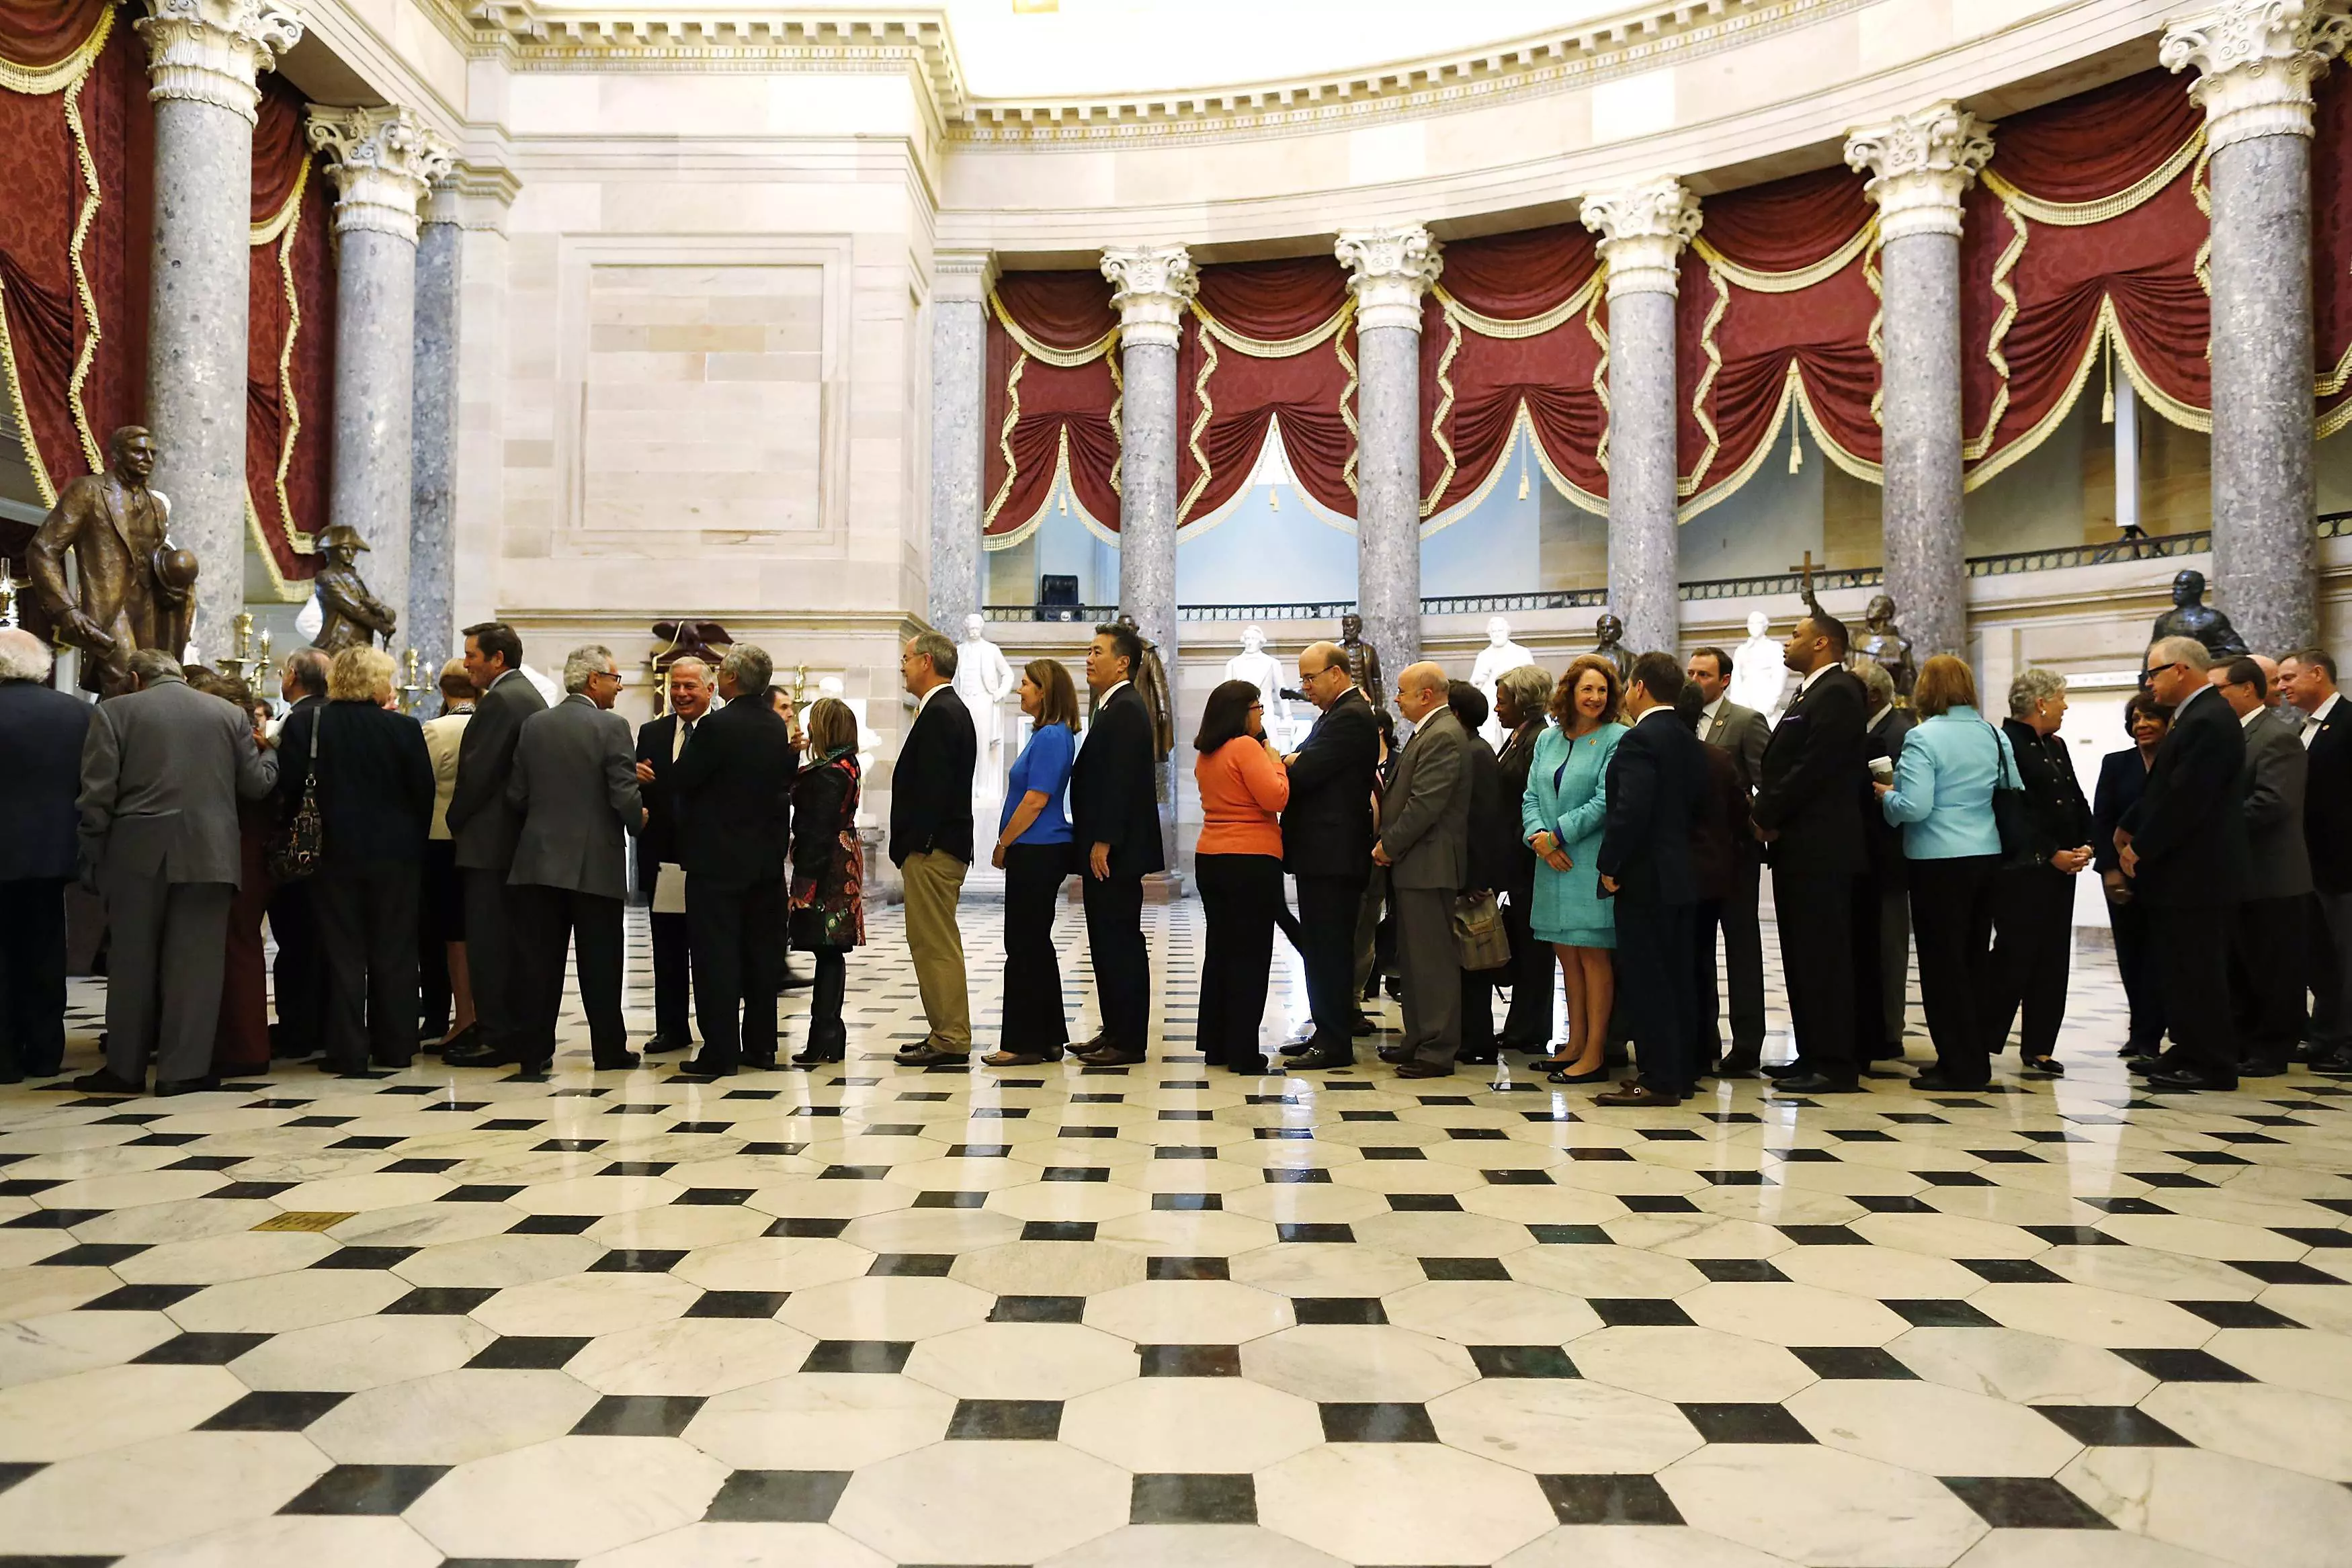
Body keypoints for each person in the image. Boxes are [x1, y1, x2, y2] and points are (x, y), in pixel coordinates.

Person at [73, 648, 277, 1094]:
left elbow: (97, 795)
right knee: (196, 967)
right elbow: (255, 785)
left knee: (131, 965)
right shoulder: (227, 714)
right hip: (209, 854)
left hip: (136, 855)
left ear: (134, 678)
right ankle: (182, 1072)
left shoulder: (114, 713)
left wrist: (94, 852)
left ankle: (124, 1070)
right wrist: (274, 755)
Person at [285, 647, 435, 1076]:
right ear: (374, 683)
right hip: (396, 856)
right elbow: (423, 794)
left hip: (333, 852)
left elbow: (293, 789)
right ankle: (395, 1045)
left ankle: (347, 1049)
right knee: (395, 950)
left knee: (342, 951)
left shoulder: (307, 725)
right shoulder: (404, 729)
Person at [1872, 656, 2012, 1092]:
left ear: (1927, 690)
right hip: (1986, 854)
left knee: (1942, 966)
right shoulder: (1992, 733)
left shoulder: (1923, 737)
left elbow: (1916, 807)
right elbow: (2011, 789)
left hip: (1937, 862)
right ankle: (1975, 1060)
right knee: (1973, 961)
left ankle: (1956, 1064)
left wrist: (1886, 798)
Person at [2120, 637, 2249, 1092]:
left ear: (2180, 670)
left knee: (2198, 968)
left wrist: (2143, 847)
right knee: (2180, 966)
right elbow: (2167, 788)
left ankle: (2212, 1063)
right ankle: (2190, 1048)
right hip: (2186, 872)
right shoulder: (2195, 716)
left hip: (2197, 871)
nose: (2148, 683)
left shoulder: (2209, 720)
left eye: (2153, 673)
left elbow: (2188, 798)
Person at [506, 646, 643, 1074]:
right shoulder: (612, 726)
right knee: (601, 962)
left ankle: (533, 1052)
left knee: (539, 963)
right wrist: (638, 818)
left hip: (537, 861)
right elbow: (623, 793)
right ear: (593, 680)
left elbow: (517, 794)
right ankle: (608, 1050)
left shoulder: (535, 724)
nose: (619, 688)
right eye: (615, 679)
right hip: (594, 864)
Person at [1753, 612, 1870, 1095]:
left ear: (1823, 643)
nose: (1788, 642)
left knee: (1825, 956)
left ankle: (1836, 1062)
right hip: (1802, 847)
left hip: (1823, 847)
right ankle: (1812, 1053)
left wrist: (1766, 812)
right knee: (1803, 956)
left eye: (1796, 635)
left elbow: (1813, 766)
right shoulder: (1811, 691)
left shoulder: (1839, 691)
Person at [671, 644, 799, 1078]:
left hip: (718, 862)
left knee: (716, 958)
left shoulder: (717, 726)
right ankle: (761, 1046)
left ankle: (721, 1051)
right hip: (764, 863)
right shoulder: (772, 725)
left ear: (729, 678)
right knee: (761, 958)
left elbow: (685, 778)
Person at [1589, 654, 1706, 1106]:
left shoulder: (1640, 740)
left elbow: (1630, 811)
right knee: (1678, 977)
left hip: (1645, 878)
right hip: (1681, 874)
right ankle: (1680, 1072)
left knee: (1647, 978)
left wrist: (1611, 865)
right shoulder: (1686, 736)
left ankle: (1658, 1080)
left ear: (1638, 688)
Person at [442, 623, 550, 1071]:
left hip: (490, 843)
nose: (467, 663)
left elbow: (478, 774)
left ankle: (496, 1034)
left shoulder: (502, 702)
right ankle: (513, 1031)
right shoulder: (526, 695)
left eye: (472, 656)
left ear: (497, 659)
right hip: (513, 841)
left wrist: (454, 820)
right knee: (511, 943)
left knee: (488, 944)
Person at [1982, 667, 2094, 1078]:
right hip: (2022, 869)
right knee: (2016, 954)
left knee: (2053, 958)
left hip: (2062, 869)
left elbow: (2073, 798)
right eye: (2061, 698)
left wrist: (2087, 841)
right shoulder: (2003, 744)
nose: (2065, 706)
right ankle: (1984, 1037)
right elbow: (2013, 811)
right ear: (2042, 702)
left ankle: (2040, 1046)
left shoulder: (2057, 745)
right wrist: (2050, 854)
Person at [1521, 655, 1624, 1084]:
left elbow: (1605, 800)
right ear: (1570, 693)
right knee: (1567, 959)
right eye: (1588, 689)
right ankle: (1574, 1043)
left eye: (1602, 690)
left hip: (1588, 862)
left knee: (1594, 957)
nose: (1595, 697)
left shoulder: (1617, 737)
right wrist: (1538, 838)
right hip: (1551, 864)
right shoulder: (1548, 739)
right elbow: (1530, 794)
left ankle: (1596, 1052)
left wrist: (1557, 835)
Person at [1279, 641, 1381, 1072]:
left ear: (1336, 674)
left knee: (1330, 949)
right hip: (1322, 852)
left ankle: (1335, 1041)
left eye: (1310, 678)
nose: (1305, 687)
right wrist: (1293, 757)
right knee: (1321, 948)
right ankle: (1325, 1030)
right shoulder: (1335, 714)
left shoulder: (1352, 716)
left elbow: (1301, 770)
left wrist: (1288, 759)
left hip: (1333, 853)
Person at [2209, 657, 2311, 1076]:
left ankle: (2272, 1049)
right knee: (2243, 964)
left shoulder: (2276, 737)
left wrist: (2213, 827)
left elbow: (2272, 802)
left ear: (2246, 689)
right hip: (2241, 875)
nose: (2213, 699)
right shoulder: (2231, 736)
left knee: (2274, 968)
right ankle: (2244, 1040)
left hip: (2274, 877)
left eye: (2219, 690)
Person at [0, 628, 93, 1082]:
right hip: (54, 852)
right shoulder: (76, 714)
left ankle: (4, 1058)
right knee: (45, 952)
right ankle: (43, 1052)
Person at [1070, 622, 1164, 1067]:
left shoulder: (1126, 707)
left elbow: (1121, 783)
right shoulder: (1112, 706)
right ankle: (1114, 1028)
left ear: (1122, 662)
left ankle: (1127, 1041)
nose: (1088, 659)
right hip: (1106, 847)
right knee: (1106, 941)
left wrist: (1103, 840)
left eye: (1097, 652)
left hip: (1115, 852)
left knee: (1119, 941)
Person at [1376, 662, 1474, 1078]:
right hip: (1415, 865)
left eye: (1402, 691)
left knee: (1431, 960)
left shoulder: (1443, 736)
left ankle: (1437, 1049)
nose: (1396, 699)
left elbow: (1425, 804)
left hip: (1429, 863)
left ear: (1426, 695)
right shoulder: (1430, 731)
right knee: (1414, 960)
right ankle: (1417, 1038)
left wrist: (1388, 845)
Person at [1193, 679, 1290, 1074]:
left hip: (1211, 856)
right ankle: (1243, 1051)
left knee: (1221, 951)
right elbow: (1276, 797)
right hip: (1250, 858)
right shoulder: (1247, 748)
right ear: (1242, 712)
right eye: (1258, 707)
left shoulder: (1207, 752)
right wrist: (1278, 760)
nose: (1262, 714)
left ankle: (1217, 1044)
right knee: (1250, 956)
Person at [985, 659, 1080, 1068]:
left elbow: (1037, 798)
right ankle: (1047, 1037)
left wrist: (1004, 841)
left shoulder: (1051, 737)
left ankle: (1022, 1041)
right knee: (1035, 944)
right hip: (1038, 848)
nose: (1018, 690)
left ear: (1044, 691)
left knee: (1023, 945)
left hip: (1038, 848)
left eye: (1025, 684)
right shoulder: (1046, 734)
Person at [890, 630, 978, 1068]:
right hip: (936, 847)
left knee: (935, 943)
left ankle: (951, 1036)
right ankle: (945, 1029)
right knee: (932, 942)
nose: (902, 666)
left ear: (926, 662)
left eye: (906, 658)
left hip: (934, 850)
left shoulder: (942, 712)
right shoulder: (944, 709)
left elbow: (935, 789)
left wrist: (918, 844)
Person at [1685, 646, 1769, 1074]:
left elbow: (1766, 783)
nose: (1696, 680)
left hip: (1735, 857)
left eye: (1704, 674)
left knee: (1740, 949)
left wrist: (1755, 829)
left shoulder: (1744, 721)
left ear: (1724, 681)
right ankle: (1704, 1039)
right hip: (1695, 859)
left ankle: (1748, 1044)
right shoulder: (1682, 724)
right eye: (1692, 672)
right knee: (1698, 950)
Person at [185, 669, 271, 1076]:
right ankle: (228, 1042)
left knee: (235, 945)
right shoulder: (237, 737)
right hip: (238, 846)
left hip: (239, 848)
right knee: (232, 945)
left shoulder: (244, 742)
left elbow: (255, 787)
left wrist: (270, 754)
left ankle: (243, 1046)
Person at [634, 657, 713, 1055]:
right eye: (675, 686)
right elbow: (643, 791)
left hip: (709, 860)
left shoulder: (720, 732)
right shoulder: (652, 732)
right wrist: (634, 776)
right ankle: (671, 1027)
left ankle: (716, 1029)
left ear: (709, 690)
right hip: (663, 858)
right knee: (666, 947)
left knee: (709, 946)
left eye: (690, 687)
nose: (681, 694)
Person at [2279, 649, 2352, 1074]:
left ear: (2318, 673)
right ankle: (2324, 1036)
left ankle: (2346, 1041)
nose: (2283, 686)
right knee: (2322, 960)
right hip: (2308, 865)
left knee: (2346, 958)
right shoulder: (2304, 728)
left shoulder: (2347, 723)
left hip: (2341, 864)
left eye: (2289, 677)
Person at [1675, 684, 1752, 1084]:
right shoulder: (1718, 759)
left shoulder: (1662, 758)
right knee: (1703, 963)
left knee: (1681, 965)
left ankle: (1687, 1049)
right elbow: (1741, 814)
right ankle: (1706, 1047)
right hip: (1713, 874)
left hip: (1673, 877)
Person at [2093, 696, 2171, 1062]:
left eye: (2151, 717)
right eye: (2136, 718)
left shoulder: (2179, 763)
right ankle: (2140, 1032)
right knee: (2131, 956)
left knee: (2162, 956)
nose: (2142, 723)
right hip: (2123, 877)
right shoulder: (2117, 764)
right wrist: (2109, 870)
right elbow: (2103, 819)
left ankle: (2156, 1033)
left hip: (2169, 875)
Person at [790, 697, 866, 1067]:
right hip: (842, 855)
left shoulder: (829, 772)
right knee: (831, 951)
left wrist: (803, 885)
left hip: (828, 865)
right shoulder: (846, 764)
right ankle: (829, 1035)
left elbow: (816, 832)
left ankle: (824, 1036)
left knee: (828, 949)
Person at [267, 648, 332, 1061]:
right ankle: (325, 1023)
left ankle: (297, 1027)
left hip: (298, 843)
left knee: (294, 940)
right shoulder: (336, 715)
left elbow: (284, 784)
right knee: (322, 941)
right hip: (334, 845)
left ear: (293, 675)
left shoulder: (299, 719)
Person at [1491, 664, 1555, 1053]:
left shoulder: (1539, 738)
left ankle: (1532, 1028)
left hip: (1528, 857)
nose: (1497, 708)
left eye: (1503, 700)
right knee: (1523, 942)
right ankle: (1519, 1024)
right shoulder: (1518, 737)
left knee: (1535, 947)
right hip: (1513, 858)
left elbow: (1534, 798)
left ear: (1522, 700)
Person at [1449, 681, 1511, 1067]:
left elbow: (1484, 820)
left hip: (1472, 875)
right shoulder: (1472, 749)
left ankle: (1478, 1039)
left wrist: (1475, 877)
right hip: (1468, 871)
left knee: (1473, 962)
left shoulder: (1476, 753)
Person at [1857, 658, 1916, 1063]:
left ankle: (1888, 1034)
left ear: (1873, 695)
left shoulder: (1898, 732)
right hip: (1864, 860)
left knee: (1890, 951)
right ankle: (1869, 1029)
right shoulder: (1867, 730)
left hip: (1889, 860)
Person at [419, 660, 477, 1053]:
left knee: (440, 932)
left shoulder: (438, 729)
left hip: (438, 836)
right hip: (477, 839)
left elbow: (420, 781)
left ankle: (441, 1014)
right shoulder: (488, 724)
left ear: (443, 691)